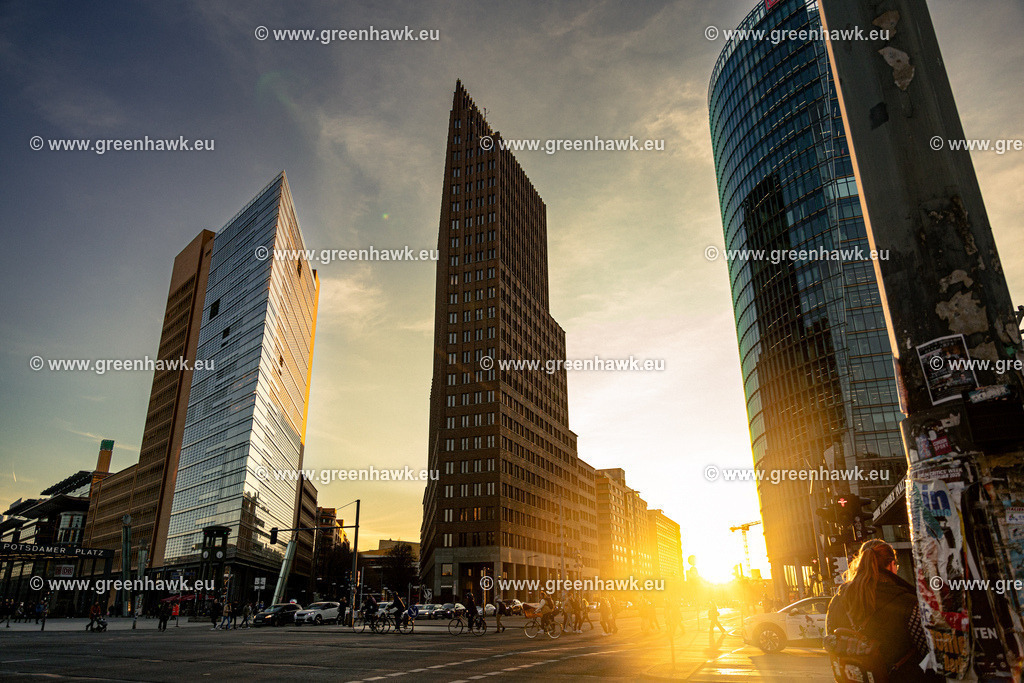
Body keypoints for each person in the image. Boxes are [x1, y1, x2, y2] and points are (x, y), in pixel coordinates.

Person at [826, 540, 942, 682]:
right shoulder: (908, 602)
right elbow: (930, 652)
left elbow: (831, 638)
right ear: (892, 565)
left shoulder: (838, 599)